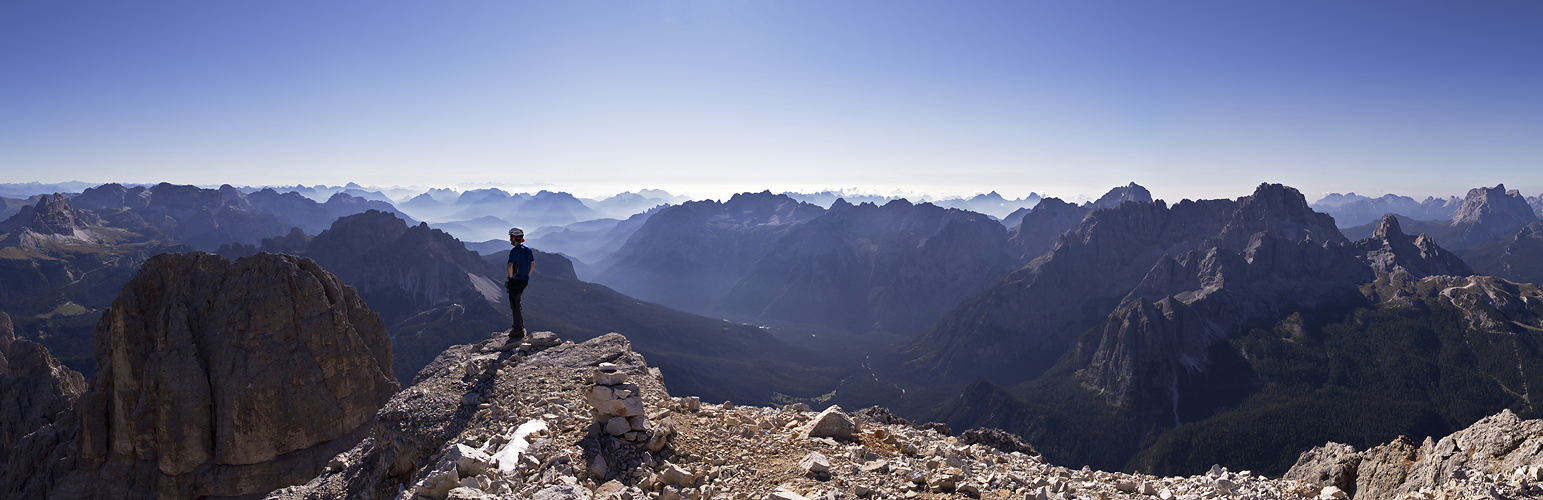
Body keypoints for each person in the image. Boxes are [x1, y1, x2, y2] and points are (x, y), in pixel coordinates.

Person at [506, 227, 536, 339]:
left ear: (514, 238)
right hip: (524, 280)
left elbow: (509, 265)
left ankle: (517, 329)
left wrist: (510, 277)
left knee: (514, 305)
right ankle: (520, 326)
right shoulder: (528, 249)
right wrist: (527, 275)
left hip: (516, 281)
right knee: (518, 303)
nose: (510, 240)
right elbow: (533, 264)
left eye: (510, 237)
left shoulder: (514, 251)